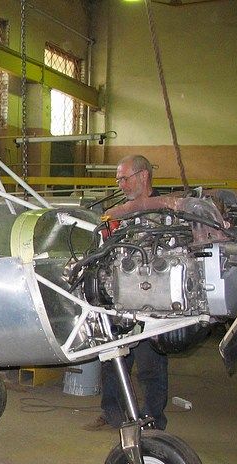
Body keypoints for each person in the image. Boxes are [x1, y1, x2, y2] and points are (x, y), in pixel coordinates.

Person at [83, 155, 169, 431]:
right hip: (120, 299)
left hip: (153, 301)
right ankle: (112, 414)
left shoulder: (167, 209)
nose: (120, 184)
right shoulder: (118, 212)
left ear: (143, 176)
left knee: (150, 365)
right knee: (113, 358)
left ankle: (152, 419)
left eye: (124, 178)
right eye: (118, 179)